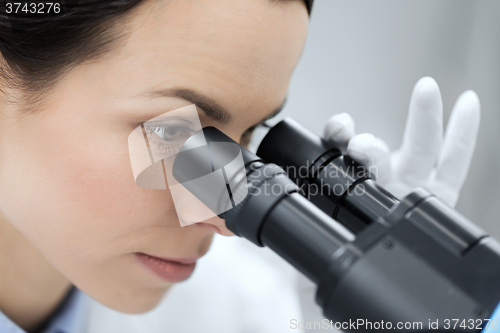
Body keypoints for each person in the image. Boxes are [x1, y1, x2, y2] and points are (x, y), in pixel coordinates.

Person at [0, 1, 480, 332]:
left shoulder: (233, 311)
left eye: (251, 137)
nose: (224, 214)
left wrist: (379, 294)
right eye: (175, 135)